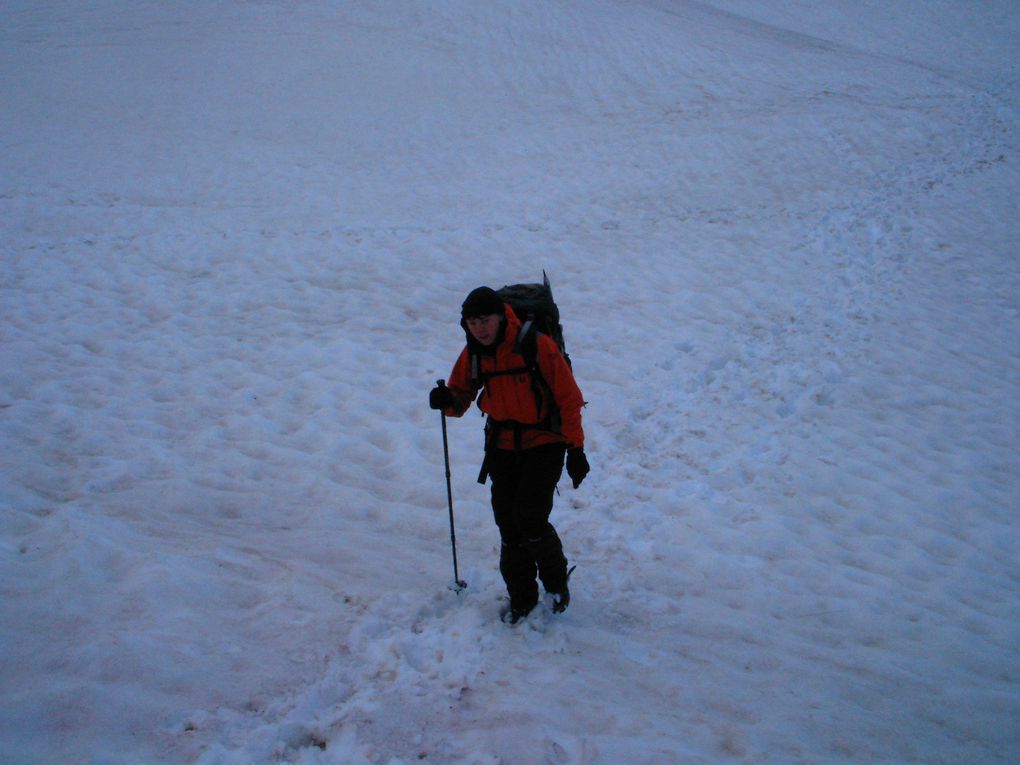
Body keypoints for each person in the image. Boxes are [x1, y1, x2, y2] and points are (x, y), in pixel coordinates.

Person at [429, 286, 590, 623]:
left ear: (501, 316)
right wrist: (447, 401)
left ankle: (556, 583)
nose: (480, 329)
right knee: (507, 522)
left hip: (545, 441)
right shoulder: (473, 352)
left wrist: (576, 449)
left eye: (485, 320)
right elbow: (461, 395)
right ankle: (522, 598)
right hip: (501, 444)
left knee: (529, 518)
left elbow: (569, 398)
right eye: (472, 323)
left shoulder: (535, 345)